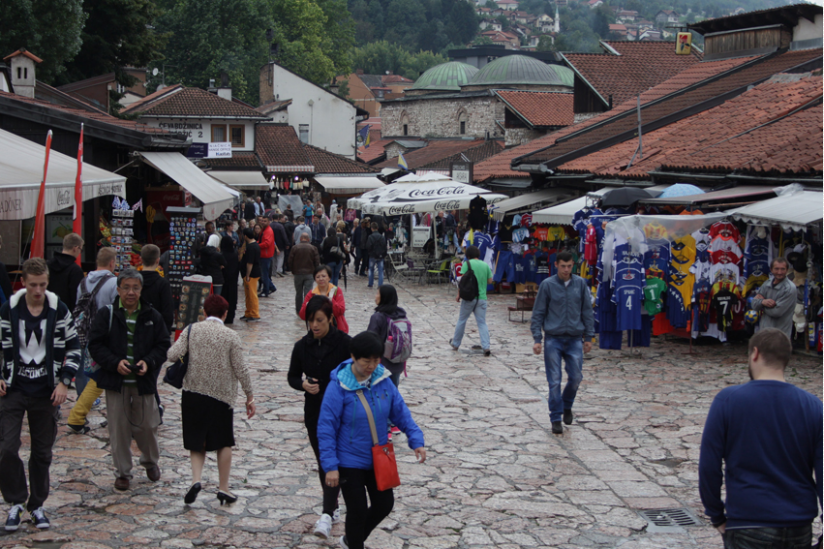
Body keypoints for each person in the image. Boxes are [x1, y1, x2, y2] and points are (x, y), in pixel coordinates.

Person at [699, 328, 822, 549]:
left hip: (748, 520)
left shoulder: (728, 401)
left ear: (754, 353)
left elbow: (709, 466)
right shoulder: (813, 407)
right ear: (786, 358)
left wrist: (716, 515)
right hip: (799, 524)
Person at [318, 331, 426, 549]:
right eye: (366, 361)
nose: (371, 366)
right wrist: (330, 466)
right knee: (357, 510)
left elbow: (400, 412)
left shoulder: (383, 381)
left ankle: (350, 540)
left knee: (384, 504)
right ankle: (355, 543)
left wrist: (416, 439)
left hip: (378, 456)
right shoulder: (338, 387)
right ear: (354, 357)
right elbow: (326, 427)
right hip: (349, 460)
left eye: (376, 360)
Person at [0, 258, 80, 531]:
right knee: (6, 448)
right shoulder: (8, 310)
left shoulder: (59, 310)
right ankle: (15, 502)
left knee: (42, 452)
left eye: (43, 285)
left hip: (46, 391)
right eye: (33, 285)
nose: (38, 290)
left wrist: (64, 381)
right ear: (23, 282)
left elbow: (74, 346)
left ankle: (37, 505)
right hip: (13, 389)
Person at [167, 295, 255, 506]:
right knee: (224, 441)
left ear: (204, 312)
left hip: (193, 393)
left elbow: (172, 354)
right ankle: (223, 488)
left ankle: (197, 480)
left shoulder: (191, 330)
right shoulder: (231, 336)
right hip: (221, 396)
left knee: (197, 441)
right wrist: (249, 396)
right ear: (225, 314)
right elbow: (240, 368)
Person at [87, 268, 170, 491]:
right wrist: (115, 363)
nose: (131, 292)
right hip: (117, 383)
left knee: (147, 426)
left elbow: (162, 345)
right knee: (118, 429)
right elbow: (95, 345)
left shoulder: (152, 315)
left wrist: (148, 362)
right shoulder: (108, 314)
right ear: (119, 289)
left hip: (143, 383)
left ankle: (150, 461)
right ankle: (122, 472)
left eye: (135, 287)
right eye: (126, 287)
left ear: (141, 289)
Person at [288, 296, 351, 538]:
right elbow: (292, 376)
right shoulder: (302, 346)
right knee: (324, 460)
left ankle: (328, 511)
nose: (314, 326)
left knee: (337, 461)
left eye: (319, 321)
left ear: (330, 319)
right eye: (311, 321)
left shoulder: (346, 344)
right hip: (314, 410)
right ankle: (332, 506)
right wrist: (303, 384)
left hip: (342, 412)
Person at [530, 250, 594, 435]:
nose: (566, 269)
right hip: (554, 339)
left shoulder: (580, 284)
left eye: (569, 266)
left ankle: (567, 404)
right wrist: (537, 338)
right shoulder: (547, 285)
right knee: (554, 381)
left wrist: (588, 337)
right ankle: (556, 417)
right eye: (563, 266)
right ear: (556, 265)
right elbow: (538, 313)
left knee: (575, 378)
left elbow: (587, 312)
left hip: (574, 338)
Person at [67, 247, 118, 433]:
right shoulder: (114, 283)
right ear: (112, 262)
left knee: (84, 369)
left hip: (83, 331)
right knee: (103, 374)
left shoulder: (83, 282)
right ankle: (80, 413)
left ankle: (80, 407)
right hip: (105, 334)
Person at [366, 284, 410, 438]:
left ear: (383, 297)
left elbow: (370, 339)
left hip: (381, 364)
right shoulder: (401, 314)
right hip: (397, 362)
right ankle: (395, 424)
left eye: (377, 293)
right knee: (393, 392)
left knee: (379, 395)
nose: (375, 296)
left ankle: (384, 428)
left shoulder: (377, 317)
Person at [751, 258, 796, 340]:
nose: (779, 272)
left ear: (787, 270)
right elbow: (754, 305)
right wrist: (763, 302)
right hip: (764, 333)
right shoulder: (767, 283)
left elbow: (777, 312)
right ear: (771, 269)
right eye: (776, 269)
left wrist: (761, 304)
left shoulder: (789, 288)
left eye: (783, 269)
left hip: (780, 336)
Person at [299, 265, 349, 334]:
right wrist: (308, 305)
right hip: (318, 331)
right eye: (318, 277)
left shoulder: (336, 291)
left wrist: (330, 301)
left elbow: (340, 310)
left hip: (336, 329)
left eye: (323, 276)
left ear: (329, 277)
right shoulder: (311, 294)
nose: (321, 279)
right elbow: (303, 315)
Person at [139, 244, 174, 333]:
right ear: (158, 261)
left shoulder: (134, 281)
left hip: (137, 329)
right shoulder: (163, 283)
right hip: (156, 330)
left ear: (141, 259)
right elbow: (167, 311)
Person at [46, 232, 84, 312]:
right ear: (75, 248)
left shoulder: (47, 265)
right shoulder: (75, 270)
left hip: (47, 311)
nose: (80, 252)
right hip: (66, 314)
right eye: (81, 249)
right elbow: (76, 298)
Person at [289, 233, 321, 315]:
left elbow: (290, 261)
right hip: (309, 273)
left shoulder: (295, 248)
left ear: (300, 238)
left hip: (298, 273)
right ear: (308, 239)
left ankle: (299, 310)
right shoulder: (313, 248)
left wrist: (293, 270)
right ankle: (307, 309)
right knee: (308, 293)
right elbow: (317, 262)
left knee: (298, 293)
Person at [240, 228, 261, 322]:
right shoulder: (252, 245)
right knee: (248, 295)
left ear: (245, 236)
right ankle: (248, 312)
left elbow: (250, 263)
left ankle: (255, 313)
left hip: (252, 274)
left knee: (252, 295)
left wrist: (248, 275)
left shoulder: (252, 247)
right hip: (249, 274)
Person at [220, 235, 240, 324]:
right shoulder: (235, 254)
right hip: (233, 280)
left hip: (224, 280)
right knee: (232, 299)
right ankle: (230, 317)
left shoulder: (222, 254)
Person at [257, 218, 277, 297]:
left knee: (264, 274)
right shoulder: (264, 230)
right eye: (262, 221)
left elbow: (266, 243)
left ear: (269, 222)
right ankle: (270, 287)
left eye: (265, 221)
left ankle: (267, 289)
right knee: (263, 273)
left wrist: (256, 245)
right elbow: (261, 240)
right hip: (264, 254)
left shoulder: (268, 231)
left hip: (265, 255)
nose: (263, 222)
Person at [365, 222, 386, 288]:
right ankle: (380, 285)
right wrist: (383, 254)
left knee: (371, 270)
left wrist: (370, 253)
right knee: (381, 271)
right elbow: (384, 246)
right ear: (377, 228)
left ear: (372, 228)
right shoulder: (382, 237)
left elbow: (368, 246)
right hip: (380, 256)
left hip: (372, 256)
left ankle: (370, 283)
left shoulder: (370, 237)